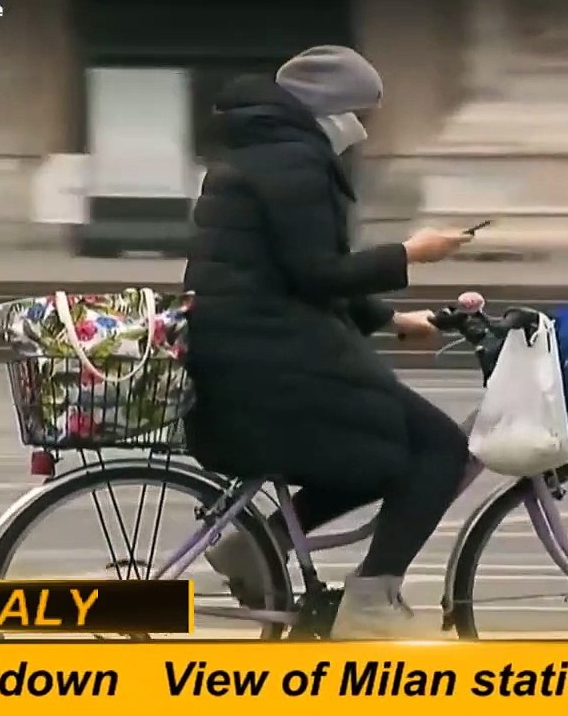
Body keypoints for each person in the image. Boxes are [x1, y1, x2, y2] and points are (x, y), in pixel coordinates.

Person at [181, 45, 474, 639]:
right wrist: (410, 253)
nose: (362, 128)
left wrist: (393, 320)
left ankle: (250, 547)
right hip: (272, 359)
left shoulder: (264, 151)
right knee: (439, 447)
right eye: (359, 111)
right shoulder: (295, 162)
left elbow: (296, 268)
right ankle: (371, 601)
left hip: (250, 351)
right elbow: (317, 272)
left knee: (377, 455)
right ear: (329, 109)